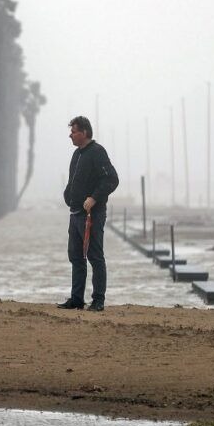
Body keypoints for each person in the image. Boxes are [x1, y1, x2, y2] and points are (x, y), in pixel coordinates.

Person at [58, 116, 119, 311]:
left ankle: (98, 300)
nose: (70, 135)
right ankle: (76, 299)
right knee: (76, 257)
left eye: (74, 131)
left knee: (95, 256)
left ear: (84, 132)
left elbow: (111, 179)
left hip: (93, 215)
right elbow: (72, 181)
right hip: (75, 214)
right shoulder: (77, 154)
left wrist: (93, 198)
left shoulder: (97, 152)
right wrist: (68, 195)